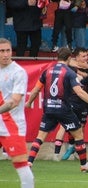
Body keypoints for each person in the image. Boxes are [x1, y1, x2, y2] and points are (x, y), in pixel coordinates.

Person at [26, 47, 88, 172]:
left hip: (49, 108)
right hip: (64, 109)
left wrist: (29, 102)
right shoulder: (69, 72)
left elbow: (36, 89)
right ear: (69, 58)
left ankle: (29, 163)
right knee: (78, 134)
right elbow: (80, 92)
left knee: (40, 137)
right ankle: (84, 165)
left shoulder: (47, 71)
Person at [0, 38, 34, 188]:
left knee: (21, 166)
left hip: (11, 126)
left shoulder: (18, 72)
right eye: (2, 51)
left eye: (8, 50)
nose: (6, 54)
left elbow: (14, 101)